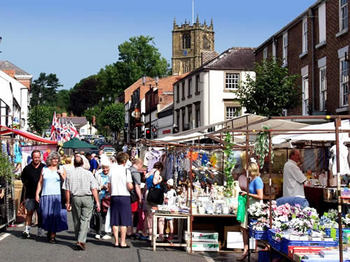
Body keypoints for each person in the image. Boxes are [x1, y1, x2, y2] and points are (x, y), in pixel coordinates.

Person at [64, 155, 100, 251]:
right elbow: (94, 188)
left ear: (74, 164)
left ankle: (78, 237)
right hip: (87, 198)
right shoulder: (88, 174)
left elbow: (67, 190)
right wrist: (97, 202)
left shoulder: (70, 174)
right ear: (83, 163)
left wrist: (67, 202)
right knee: (85, 220)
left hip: (75, 198)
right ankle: (81, 240)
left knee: (76, 219)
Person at [35, 152, 68, 243]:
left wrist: (61, 174)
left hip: (57, 196)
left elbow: (66, 182)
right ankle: (49, 231)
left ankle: (53, 236)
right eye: (53, 159)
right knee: (45, 215)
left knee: (55, 216)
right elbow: (40, 182)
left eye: (57, 159)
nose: (55, 160)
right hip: (45, 195)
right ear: (50, 160)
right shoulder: (44, 169)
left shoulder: (61, 168)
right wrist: (37, 194)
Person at [238, 162, 263, 261]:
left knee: (254, 229)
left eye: (247, 170)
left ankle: (263, 248)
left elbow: (260, 196)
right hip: (249, 207)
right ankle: (245, 250)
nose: (245, 172)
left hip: (255, 208)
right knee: (244, 228)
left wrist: (247, 193)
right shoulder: (251, 180)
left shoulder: (258, 180)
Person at [108, 152, 133, 248]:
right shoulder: (126, 171)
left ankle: (116, 241)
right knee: (124, 220)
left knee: (114, 220)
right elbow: (129, 186)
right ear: (124, 161)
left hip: (114, 195)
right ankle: (123, 242)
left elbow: (109, 186)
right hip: (124, 196)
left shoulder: (112, 171)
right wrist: (132, 187)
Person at [21, 150, 45, 239]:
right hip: (30, 194)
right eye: (35, 157)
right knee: (29, 212)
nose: (37, 159)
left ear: (40, 157)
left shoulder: (44, 167)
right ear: (32, 157)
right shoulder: (27, 168)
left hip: (42, 195)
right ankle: (27, 230)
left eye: (38, 157)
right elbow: (23, 178)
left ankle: (40, 230)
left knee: (41, 213)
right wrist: (28, 184)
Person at [143, 161, 163, 240]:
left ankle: (150, 233)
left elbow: (146, 184)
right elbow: (155, 182)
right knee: (155, 213)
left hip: (148, 193)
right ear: (160, 168)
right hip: (154, 194)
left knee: (149, 215)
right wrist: (160, 180)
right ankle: (155, 234)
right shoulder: (157, 172)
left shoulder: (149, 173)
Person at [94, 163, 111, 239]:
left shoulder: (112, 174)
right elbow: (95, 186)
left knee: (108, 214)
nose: (105, 169)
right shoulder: (98, 174)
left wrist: (108, 187)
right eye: (103, 168)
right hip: (100, 196)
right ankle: (98, 231)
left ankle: (108, 232)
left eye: (107, 168)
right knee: (99, 214)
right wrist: (101, 187)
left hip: (109, 197)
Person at [127, 158, 143, 237]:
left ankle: (127, 230)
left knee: (128, 213)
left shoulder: (127, 170)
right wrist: (140, 197)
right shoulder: (135, 172)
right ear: (139, 164)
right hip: (133, 196)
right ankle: (129, 231)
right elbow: (137, 186)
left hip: (126, 194)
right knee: (132, 214)